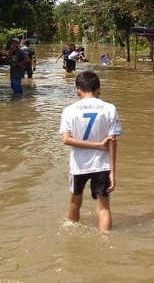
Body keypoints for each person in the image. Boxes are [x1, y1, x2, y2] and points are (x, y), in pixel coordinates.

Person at [59, 70, 121, 231]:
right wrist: (112, 172)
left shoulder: (69, 110)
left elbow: (66, 139)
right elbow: (113, 142)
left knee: (75, 201)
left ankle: (70, 235)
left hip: (79, 165)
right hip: (102, 165)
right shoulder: (109, 108)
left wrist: (98, 144)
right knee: (104, 206)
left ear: (77, 90)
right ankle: (106, 242)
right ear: (98, 89)